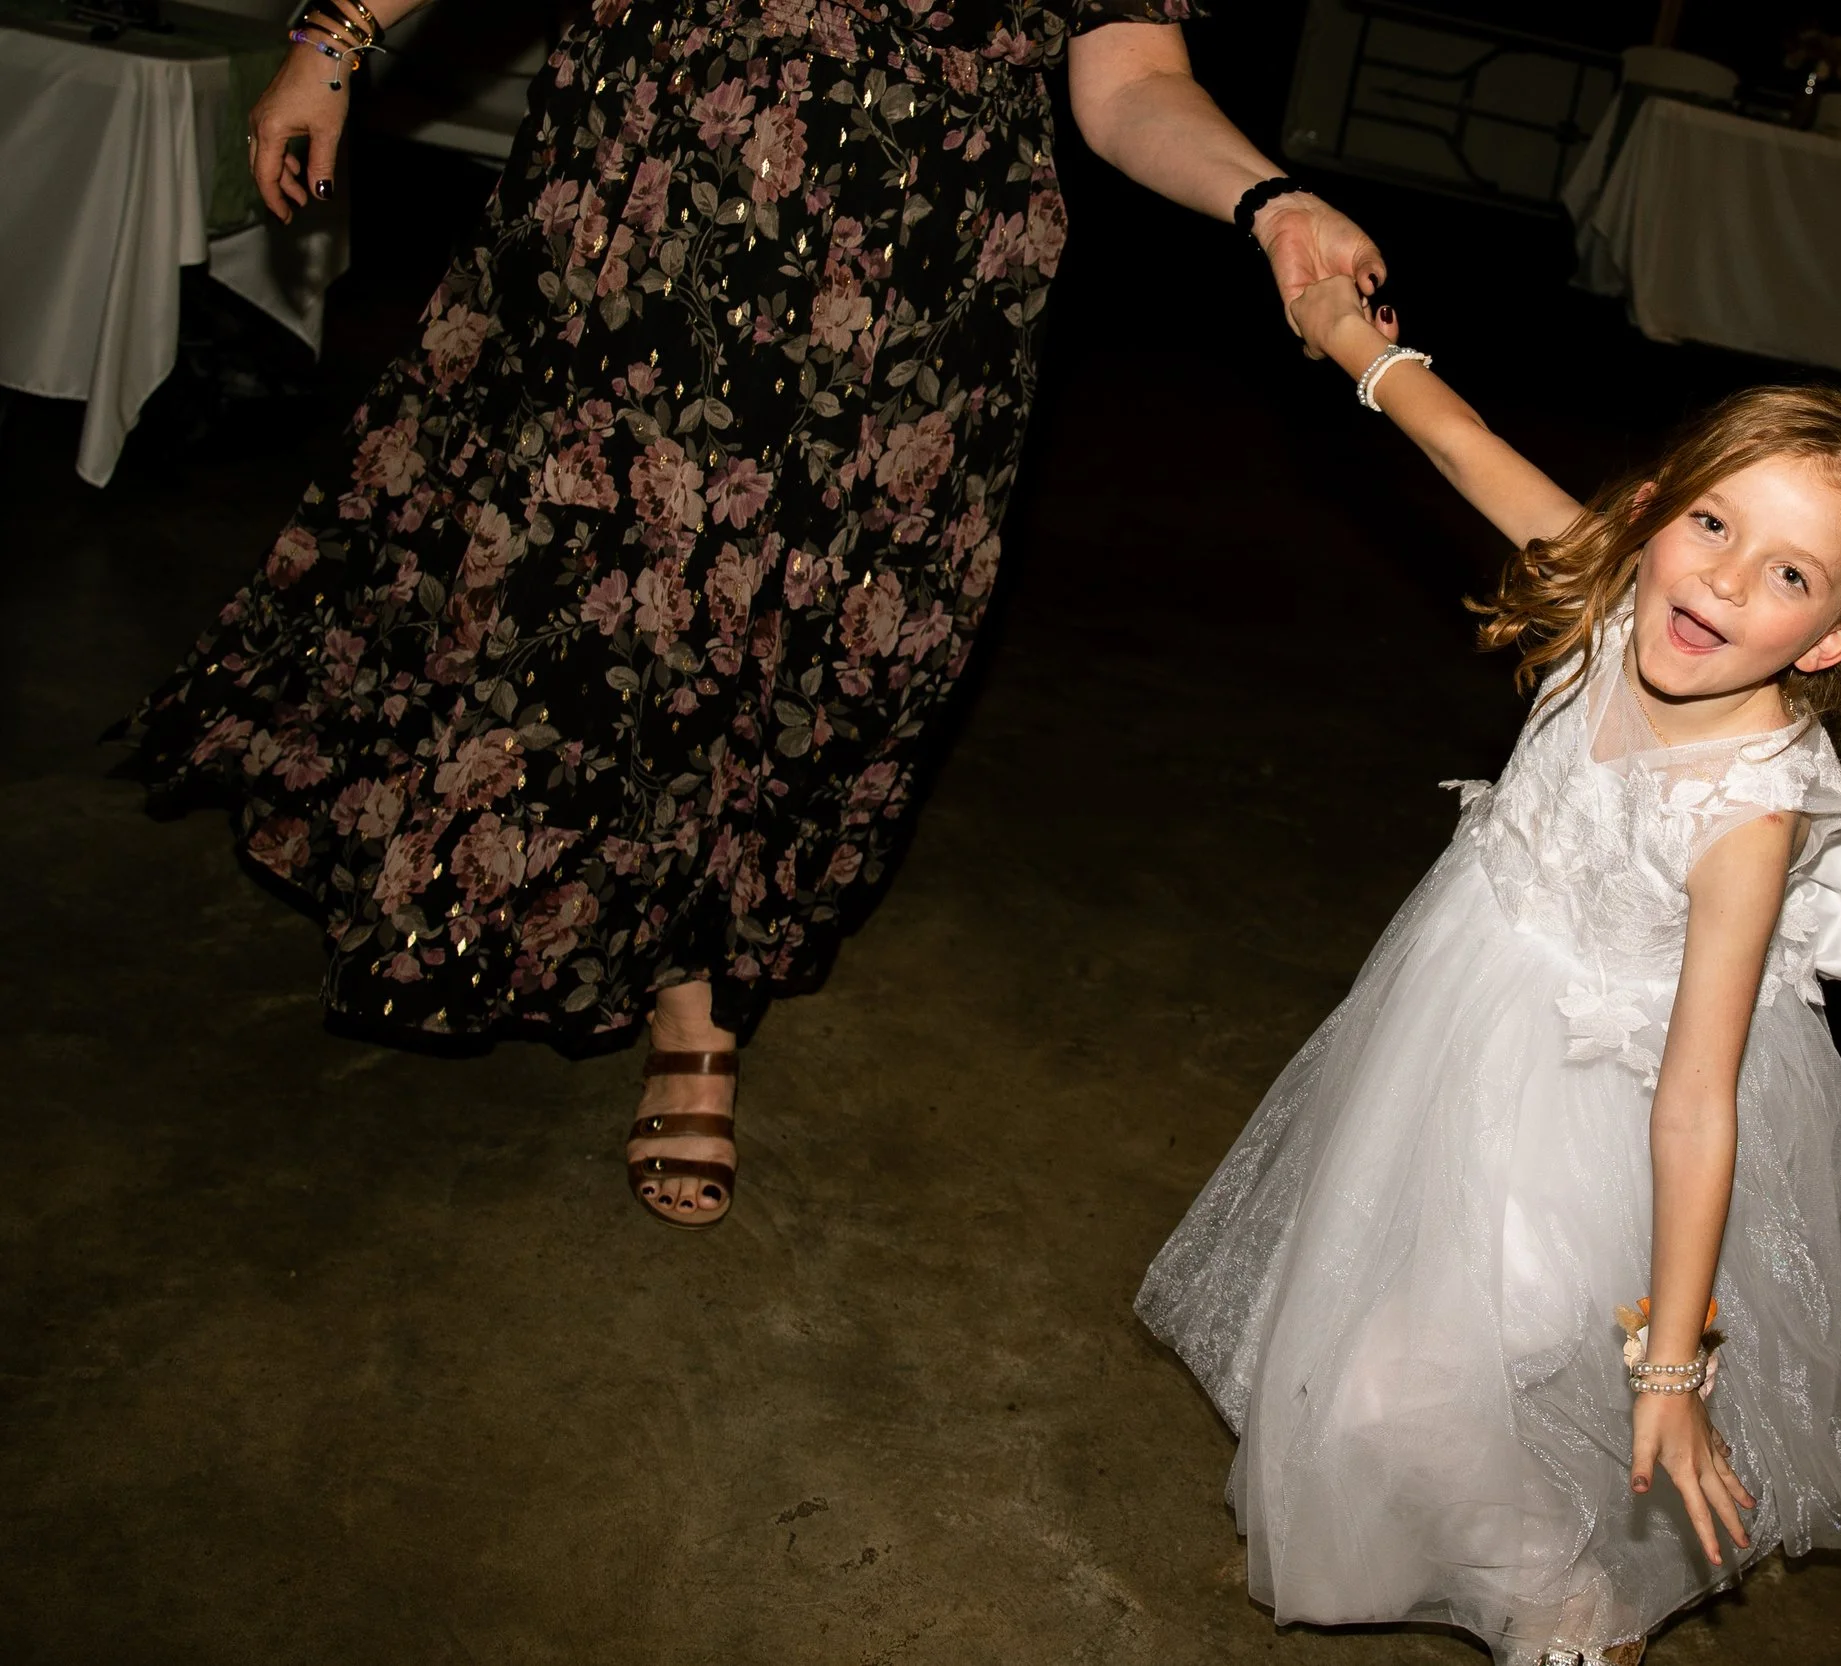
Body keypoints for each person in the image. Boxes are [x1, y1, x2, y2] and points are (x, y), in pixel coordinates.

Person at [118, 2, 1389, 1229]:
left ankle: (697, 953)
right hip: (649, 208)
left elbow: (1127, 86)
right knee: (588, 595)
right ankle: (687, 1005)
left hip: (917, 302)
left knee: (827, 655)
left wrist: (1269, 201)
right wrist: (338, 33)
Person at [1136, 280, 1841, 1665]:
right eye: (1714, 523)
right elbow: (1459, 443)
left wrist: (1678, 1365)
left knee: (1407, 1376)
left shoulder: (1745, 814)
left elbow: (1697, 1101)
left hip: (1605, 1108)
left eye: (1791, 575)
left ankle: (1572, 1614)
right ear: (1653, 510)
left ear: (1829, 640)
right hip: (1464, 1011)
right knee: (1382, 1310)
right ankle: (1491, 1550)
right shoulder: (1609, 594)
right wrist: (1354, 339)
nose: (1726, 580)